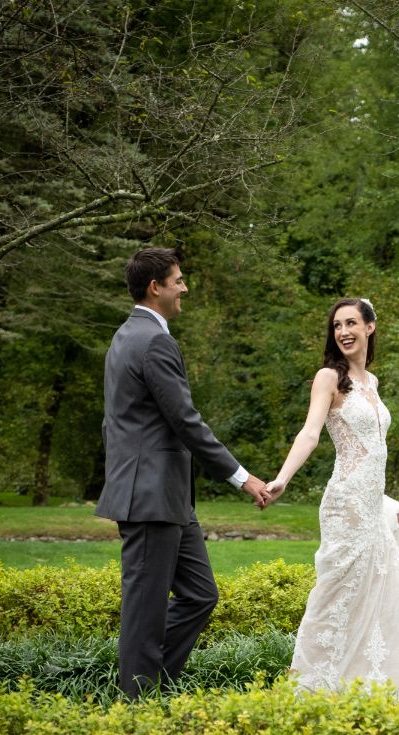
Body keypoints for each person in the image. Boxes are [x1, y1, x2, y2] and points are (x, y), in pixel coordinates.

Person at [95, 247, 272, 698]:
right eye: (178, 280)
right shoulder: (153, 340)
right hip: (150, 498)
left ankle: (151, 683)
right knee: (145, 612)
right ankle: (136, 709)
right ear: (156, 287)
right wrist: (242, 478)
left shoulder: (126, 335)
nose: (184, 287)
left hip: (168, 497)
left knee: (200, 595)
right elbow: (185, 421)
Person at [266, 297, 399, 695]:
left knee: (381, 597)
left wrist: (387, 505)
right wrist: (283, 478)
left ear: (370, 327)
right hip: (345, 506)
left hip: (373, 507)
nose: (343, 332)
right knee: (336, 593)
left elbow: (373, 454)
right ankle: (313, 684)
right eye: (337, 326)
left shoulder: (372, 383)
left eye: (351, 323)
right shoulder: (328, 378)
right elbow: (311, 433)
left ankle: (370, 683)